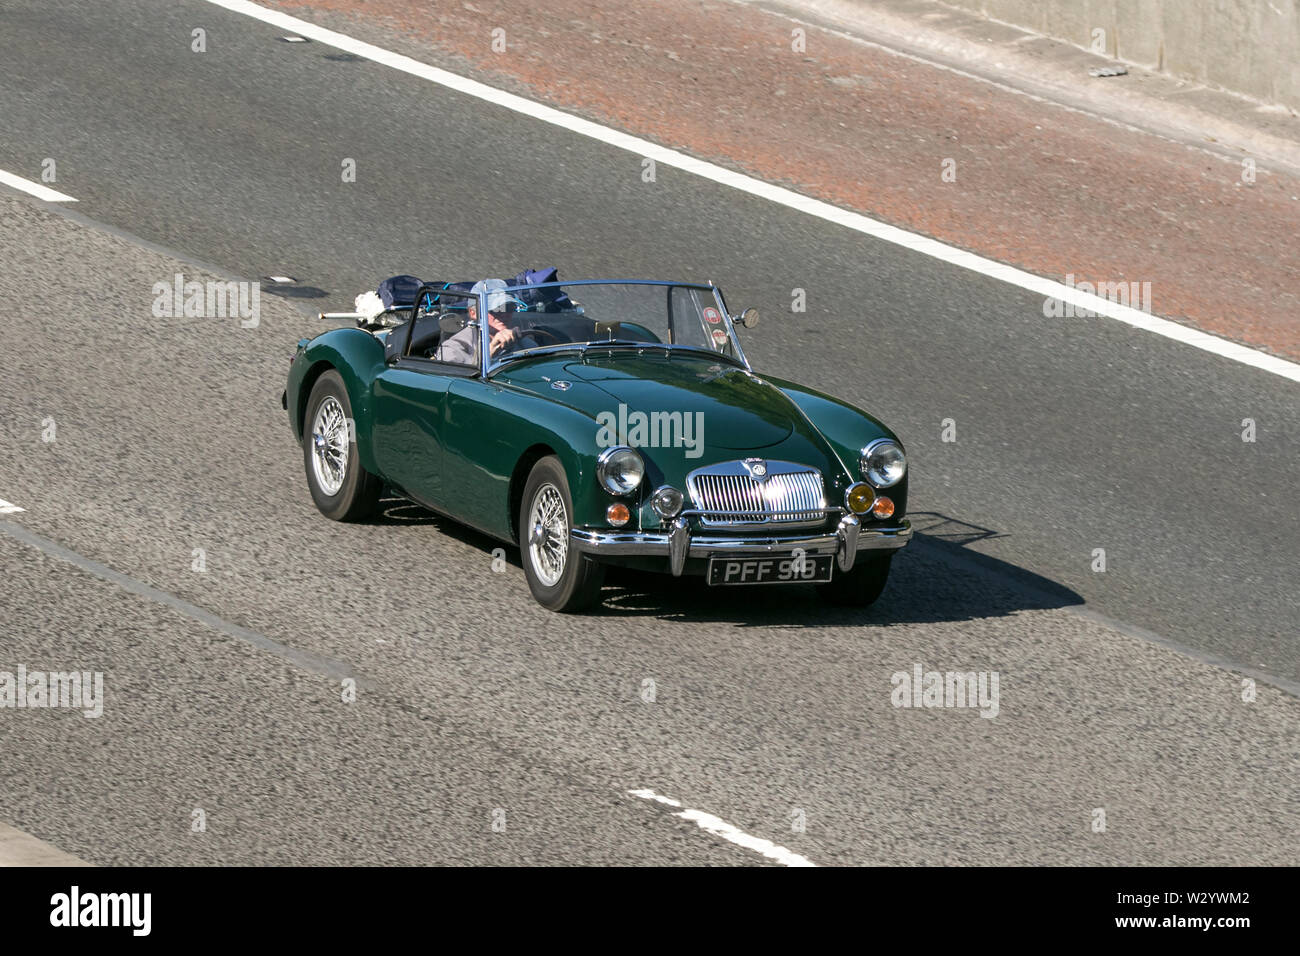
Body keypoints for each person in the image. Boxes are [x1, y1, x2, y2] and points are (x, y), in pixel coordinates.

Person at [434, 278, 533, 364]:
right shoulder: (454, 346)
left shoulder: (522, 341)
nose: (504, 314)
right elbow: (452, 376)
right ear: (473, 313)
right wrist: (489, 353)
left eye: (508, 307)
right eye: (495, 309)